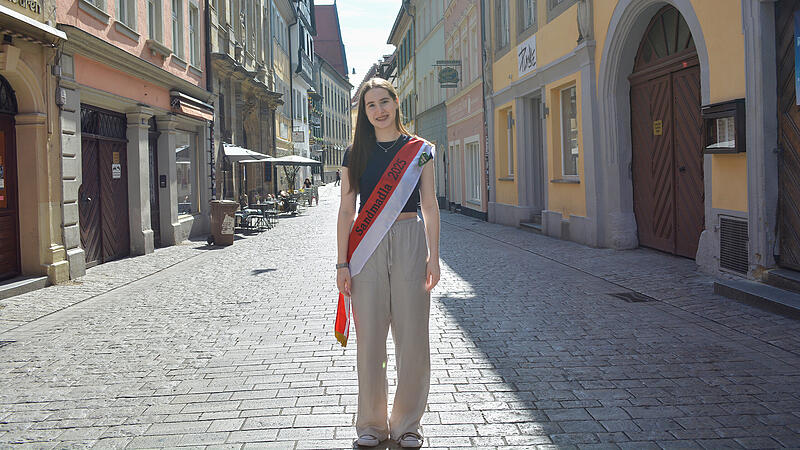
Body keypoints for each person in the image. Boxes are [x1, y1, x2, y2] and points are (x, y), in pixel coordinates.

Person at [336, 77, 440, 448]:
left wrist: (434, 256)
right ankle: (372, 425)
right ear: (364, 112)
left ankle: (408, 424)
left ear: (396, 103)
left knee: (413, 339)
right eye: (370, 105)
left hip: (411, 240)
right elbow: (347, 209)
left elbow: (429, 205)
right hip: (367, 247)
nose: (378, 110)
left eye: (384, 102)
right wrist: (341, 263)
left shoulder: (420, 150)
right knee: (371, 343)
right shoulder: (354, 153)